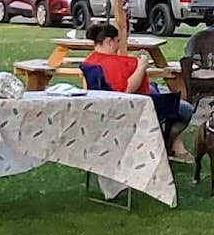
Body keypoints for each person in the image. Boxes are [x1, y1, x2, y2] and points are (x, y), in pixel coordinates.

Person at [82, 22, 195, 157]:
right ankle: (167, 141)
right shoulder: (114, 64)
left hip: (100, 108)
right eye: (117, 41)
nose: (118, 46)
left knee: (154, 88)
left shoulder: (88, 62)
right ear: (109, 41)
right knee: (186, 109)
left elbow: (87, 90)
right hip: (128, 109)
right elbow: (124, 91)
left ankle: (171, 142)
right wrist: (141, 67)